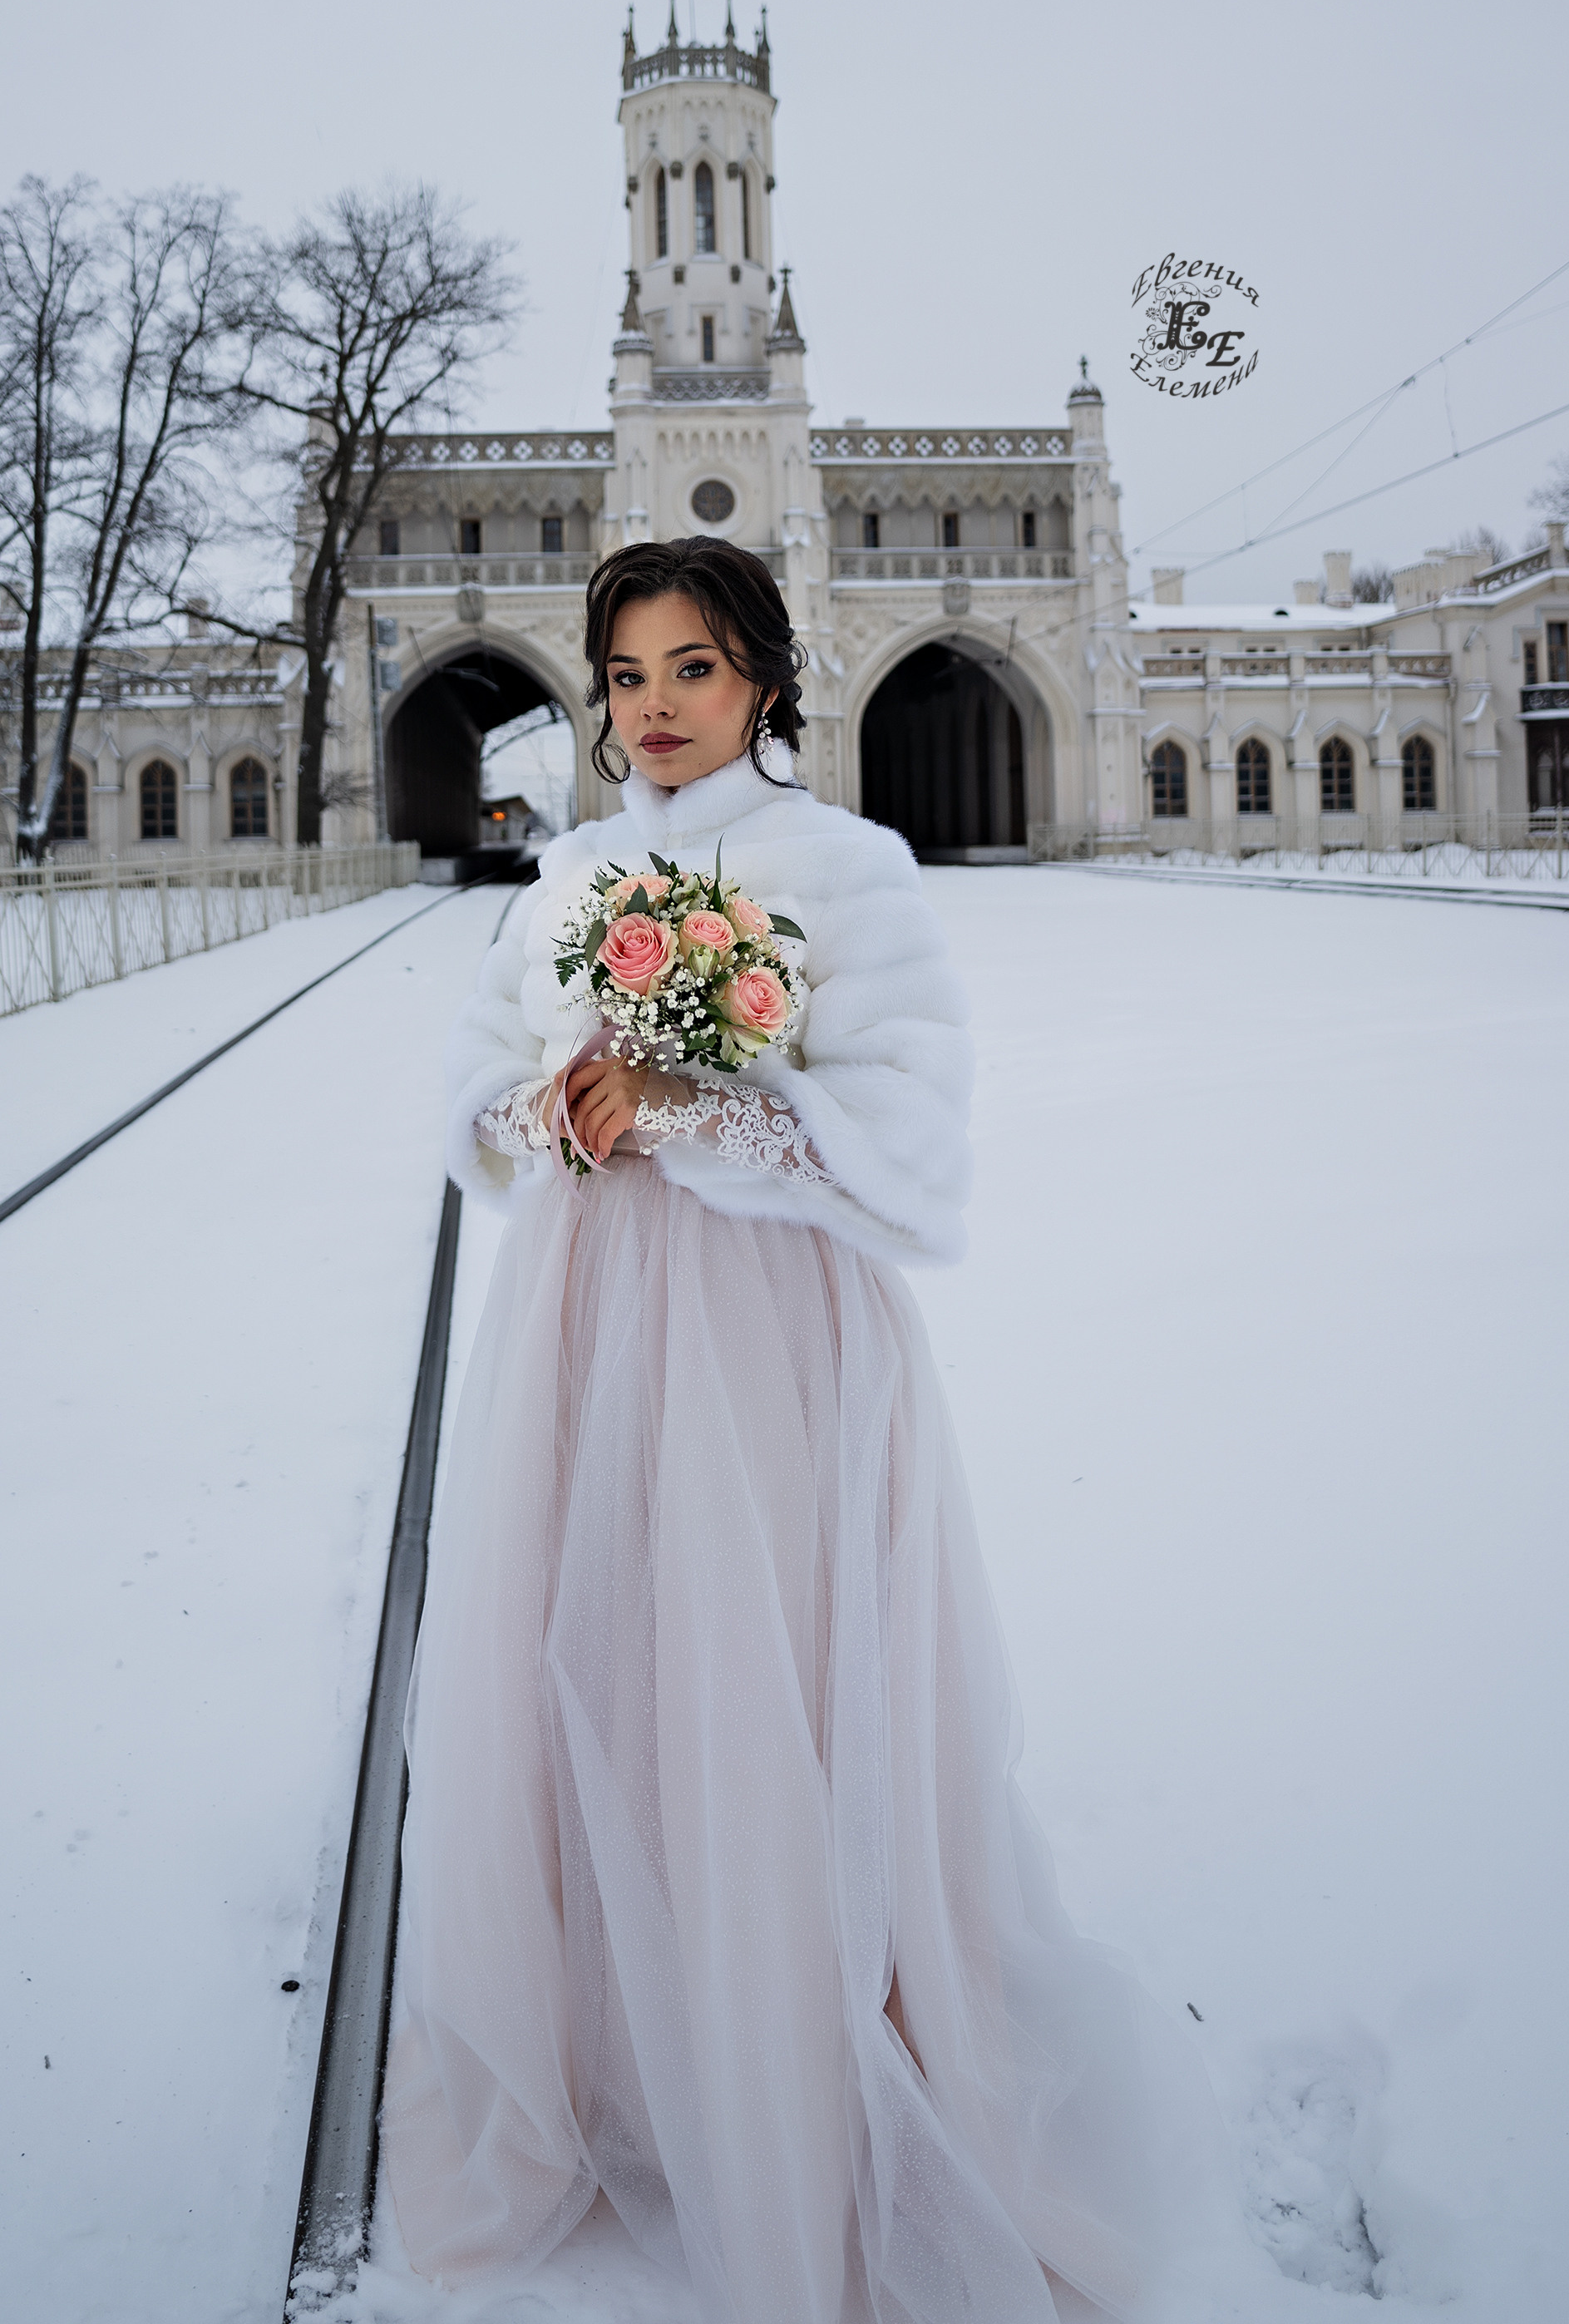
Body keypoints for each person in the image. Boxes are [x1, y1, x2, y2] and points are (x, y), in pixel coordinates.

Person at [382, 537, 1188, 2322]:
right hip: (586, 1318)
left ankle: (795, 2052)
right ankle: (622, 2048)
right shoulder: (571, 875)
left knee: (771, 1667)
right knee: (599, 1654)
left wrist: (695, 1095)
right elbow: (473, 1092)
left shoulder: (848, 870)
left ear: (761, 673)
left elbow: (909, 1136)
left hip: (766, 1332)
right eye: (626, 675)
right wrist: (546, 1105)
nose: (655, 707)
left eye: (692, 667)